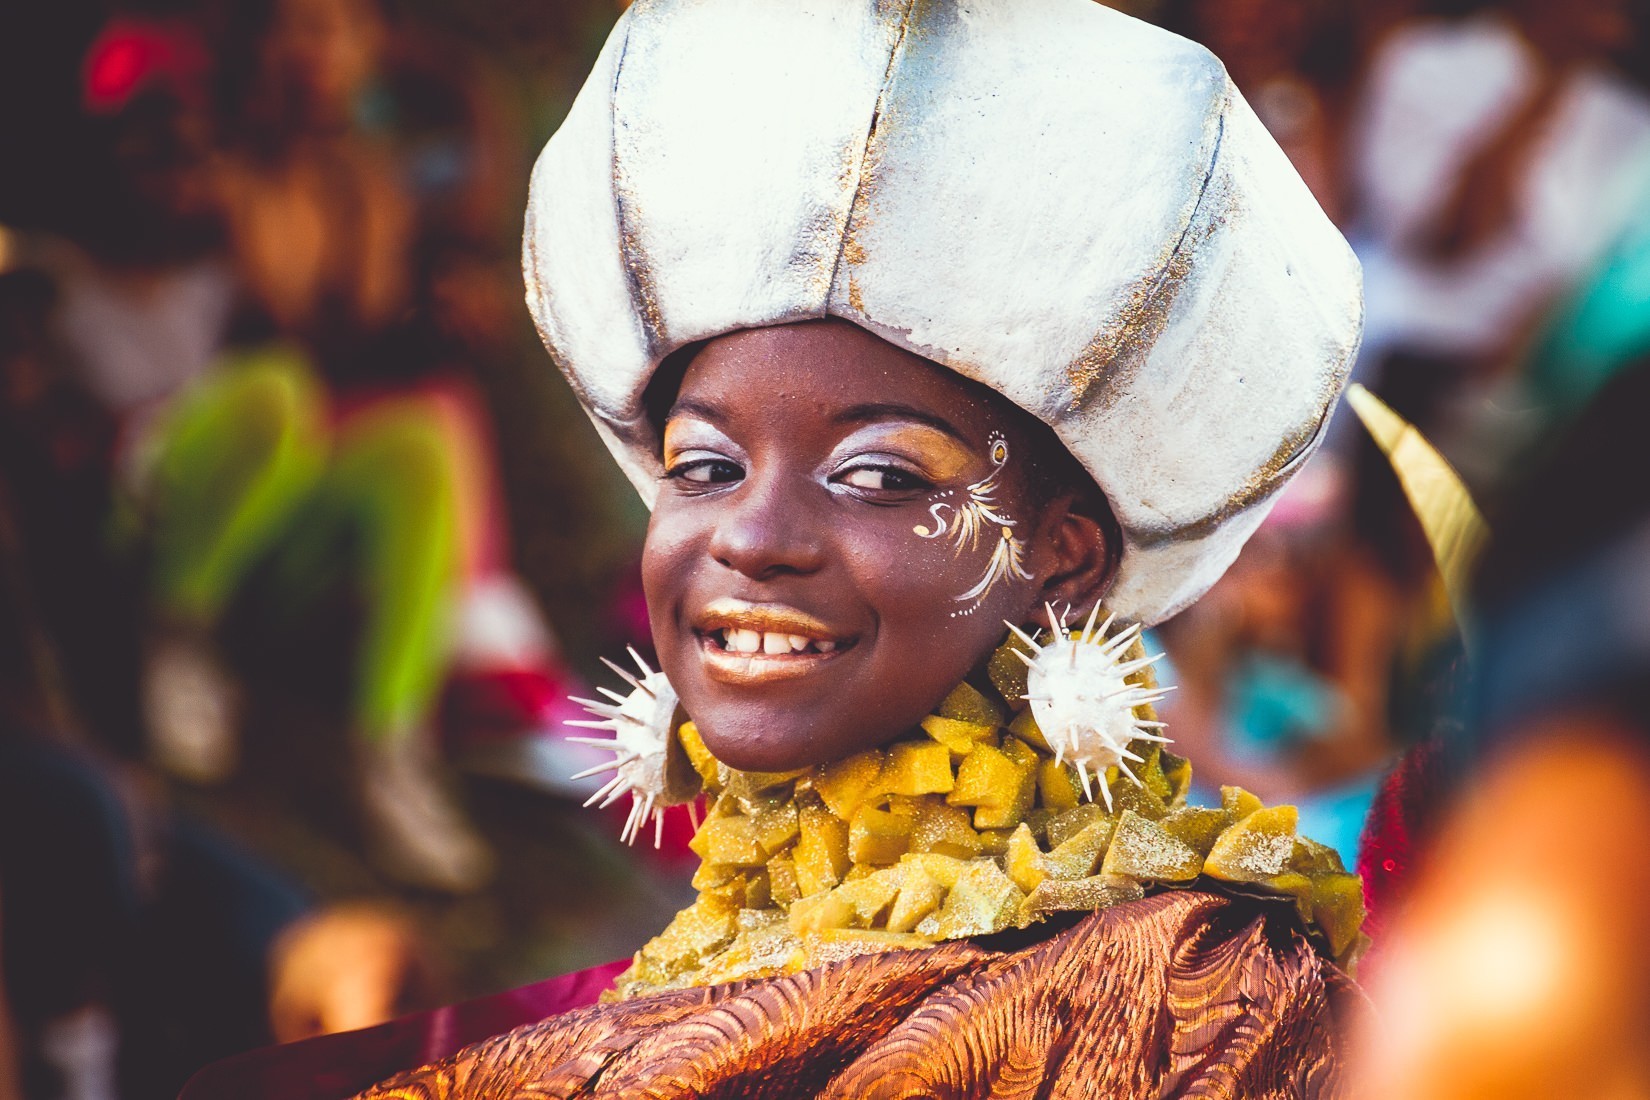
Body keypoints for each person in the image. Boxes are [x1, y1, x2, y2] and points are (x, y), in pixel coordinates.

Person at [185, 1, 1367, 1095]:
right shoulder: (668, 968)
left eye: (881, 475)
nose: (749, 534)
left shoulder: (1195, 991)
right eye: (702, 466)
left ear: (1062, 555)